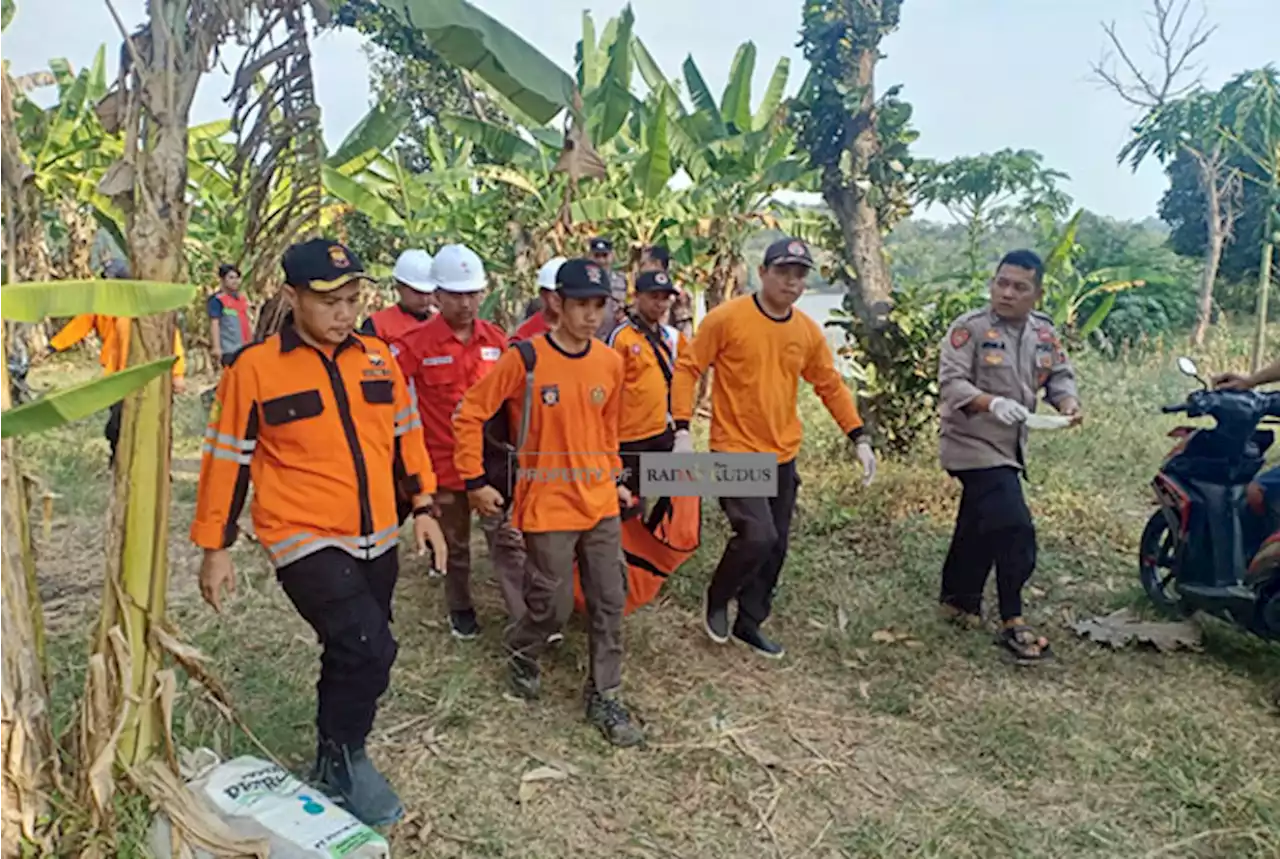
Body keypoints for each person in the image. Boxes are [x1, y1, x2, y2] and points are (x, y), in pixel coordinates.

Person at [190, 238, 448, 827]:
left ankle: (333, 755)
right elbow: (227, 460)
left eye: (352, 299)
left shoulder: (380, 358)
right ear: (291, 296)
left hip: (378, 533)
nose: (342, 313)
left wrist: (425, 509)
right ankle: (349, 754)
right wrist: (215, 548)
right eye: (328, 301)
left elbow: (407, 439)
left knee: (356, 646)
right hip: (302, 536)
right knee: (369, 645)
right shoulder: (254, 368)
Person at [453, 258, 643, 748]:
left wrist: (615, 478)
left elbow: (606, 430)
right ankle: (522, 648)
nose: (591, 315)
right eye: (581, 304)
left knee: (609, 600)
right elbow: (470, 413)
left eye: (599, 305)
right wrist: (474, 480)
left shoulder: (610, 362)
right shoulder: (526, 359)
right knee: (552, 606)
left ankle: (606, 694)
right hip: (547, 504)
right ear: (556, 303)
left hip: (598, 503)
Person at [671, 238, 878, 659]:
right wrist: (681, 429)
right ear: (762, 272)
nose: (792, 281)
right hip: (734, 449)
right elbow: (689, 367)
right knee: (757, 535)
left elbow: (828, 384)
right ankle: (717, 598)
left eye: (800, 274)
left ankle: (751, 622)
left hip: (783, 453)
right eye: (783, 271)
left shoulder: (805, 331)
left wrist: (858, 436)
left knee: (777, 544)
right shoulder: (727, 319)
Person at [937, 249, 1082, 663]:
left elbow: (1058, 374)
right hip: (971, 442)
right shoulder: (970, 329)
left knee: (980, 521)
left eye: (1019, 287)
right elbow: (952, 384)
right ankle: (1012, 620)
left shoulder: (1043, 333)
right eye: (1001, 283)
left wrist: (1068, 404)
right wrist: (989, 403)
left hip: (1011, 446)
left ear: (1036, 294)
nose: (1007, 293)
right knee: (1013, 526)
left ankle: (958, 599)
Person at [391, 244, 528, 641]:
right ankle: (460, 607)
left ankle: (523, 617)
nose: (466, 303)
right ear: (437, 295)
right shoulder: (416, 345)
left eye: (472, 294)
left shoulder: (497, 342)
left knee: (505, 543)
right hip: (443, 469)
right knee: (455, 546)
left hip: (489, 471)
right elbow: (395, 402)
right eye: (456, 295)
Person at [46, 258, 188, 465]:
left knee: (152, 423)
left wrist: (178, 374)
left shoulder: (146, 307)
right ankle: (118, 459)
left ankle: (155, 466)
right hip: (117, 375)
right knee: (116, 423)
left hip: (150, 374)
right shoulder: (101, 305)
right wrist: (54, 346)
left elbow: (171, 340)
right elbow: (79, 326)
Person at [607, 270, 688, 508]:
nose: (660, 303)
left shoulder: (670, 337)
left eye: (665, 297)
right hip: (628, 438)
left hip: (661, 432)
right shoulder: (621, 337)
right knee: (629, 504)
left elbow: (693, 366)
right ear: (637, 296)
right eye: (654, 296)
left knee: (671, 501)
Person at [358, 248, 436, 341]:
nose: (425, 299)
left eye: (429, 292)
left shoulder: (445, 324)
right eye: (417, 292)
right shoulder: (377, 325)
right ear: (399, 287)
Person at [639, 245, 693, 337]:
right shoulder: (639, 288)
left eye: (644, 263)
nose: (641, 268)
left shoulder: (677, 294)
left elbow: (685, 329)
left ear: (656, 263)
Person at [510, 257, 566, 343]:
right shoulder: (525, 335)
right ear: (542, 294)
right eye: (554, 294)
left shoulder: (586, 327)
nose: (558, 299)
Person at [207, 263, 253, 368]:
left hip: (245, 346)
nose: (235, 281)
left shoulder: (241, 299)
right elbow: (215, 323)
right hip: (229, 349)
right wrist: (216, 347)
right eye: (231, 278)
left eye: (237, 278)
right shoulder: (217, 300)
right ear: (223, 280)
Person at [588, 237, 629, 340]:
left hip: (616, 339)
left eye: (605, 256)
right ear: (589, 256)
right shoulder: (583, 281)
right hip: (591, 337)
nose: (601, 261)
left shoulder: (622, 280)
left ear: (612, 256)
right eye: (597, 256)